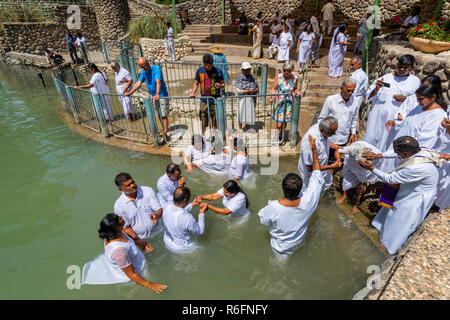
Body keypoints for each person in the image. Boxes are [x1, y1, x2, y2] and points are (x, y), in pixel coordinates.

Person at [358, 136, 440, 255]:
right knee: (390, 207)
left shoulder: (416, 167)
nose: (397, 155)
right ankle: (379, 226)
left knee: (401, 219)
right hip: (411, 186)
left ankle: (390, 245)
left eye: (399, 153)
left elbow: (390, 179)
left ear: (406, 153)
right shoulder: (420, 150)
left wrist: (371, 168)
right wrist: (379, 155)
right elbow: (395, 153)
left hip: (418, 195)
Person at [259, 135, 324, 257]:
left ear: (283, 187)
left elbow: (263, 220)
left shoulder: (273, 208)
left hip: (281, 250)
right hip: (299, 243)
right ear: (300, 189)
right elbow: (316, 174)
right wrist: (314, 151)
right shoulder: (308, 201)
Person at [81, 214, 167, 293]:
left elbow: (128, 241)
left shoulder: (115, 233)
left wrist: (140, 242)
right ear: (116, 228)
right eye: (119, 219)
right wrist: (151, 285)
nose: (121, 216)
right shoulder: (119, 252)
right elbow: (132, 274)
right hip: (136, 277)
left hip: (133, 265)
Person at [375, 82, 447, 173]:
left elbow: (424, 144)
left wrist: (401, 155)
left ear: (433, 97)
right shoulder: (419, 108)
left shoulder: (437, 116)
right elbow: (406, 127)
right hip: (399, 153)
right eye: (417, 98)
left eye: (421, 99)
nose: (418, 101)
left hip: (412, 160)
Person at [364, 54, 420, 150]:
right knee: (372, 140)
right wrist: (376, 89)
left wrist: (406, 99)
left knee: (390, 144)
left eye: (405, 68)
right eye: (400, 67)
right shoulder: (385, 78)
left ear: (411, 67)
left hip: (396, 121)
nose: (402, 70)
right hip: (378, 118)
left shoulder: (415, 81)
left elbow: (418, 101)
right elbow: (368, 96)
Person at [125, 58, 170, 141]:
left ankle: (165, 132)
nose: (143, 68)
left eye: (144, 66)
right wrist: (130, 92)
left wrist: (157, 93)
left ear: (147, 63)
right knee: (159, 114)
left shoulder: (156, 69)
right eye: (141, 67)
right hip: (154, 96)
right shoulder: (143, 72)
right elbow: (138, 83)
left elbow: (158, 82)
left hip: (161, 95)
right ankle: (164, 129)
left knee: (164, 115)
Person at [317, 78, 357, 165]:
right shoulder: (330, 100)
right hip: (329, 139)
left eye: (352, 91)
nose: (350, 93)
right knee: (324, 160)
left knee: (335, 160)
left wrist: (353, 133)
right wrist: (324, 138)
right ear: (341, 88)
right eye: (348, 90)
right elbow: (321, 119)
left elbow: (354, 118)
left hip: (343, 138)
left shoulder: (355, 101)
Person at [297, 116, 342, 193]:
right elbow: (310, 168)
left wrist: (335, 147)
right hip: (311, 175)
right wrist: (332, 166)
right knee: (311, 195)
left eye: (335, 131)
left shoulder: (322, 128)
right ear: (322, 130)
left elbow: (324, 140)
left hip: (323, 167)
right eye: (332, 132)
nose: (334, 134)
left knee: (326, 184)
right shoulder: (309, 143)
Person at [113, 173, 163, 240]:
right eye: (128, 185)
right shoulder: (119, 206)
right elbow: (126, 228)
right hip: (142, 238)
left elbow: (158, 209)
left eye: (133, 182)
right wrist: (140, 242)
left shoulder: (148, 191)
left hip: (159, 230)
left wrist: (156, 215)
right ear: (121, 189)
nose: (133, 185)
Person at [336, 141, 382, 213]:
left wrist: (366, 166)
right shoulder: (352, 149)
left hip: (366, 168)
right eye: (360, 163)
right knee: (346, 178)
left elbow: (365, 181)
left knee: (362, 183)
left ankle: (356, 204)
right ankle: (344, 195)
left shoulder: (376, 156)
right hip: (351, 162)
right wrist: (338, 160)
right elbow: (337, 151)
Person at [162, 187, 208, 252]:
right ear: (185, 200)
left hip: (167, 241)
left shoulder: (166, 205)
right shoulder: (187, 218)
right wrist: (201, 213)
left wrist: (192, 204)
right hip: (182, 248)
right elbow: (200, 232)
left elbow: (177, 212)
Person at [190, 53, 225, 136]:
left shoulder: (218, 71)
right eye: (206, 65)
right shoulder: (200, 71)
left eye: (210, 65)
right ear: (203, 63)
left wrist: (220, 86)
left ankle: (214, 136)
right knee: (203, 119)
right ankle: (203, 136)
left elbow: (223, 84)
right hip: (204, 101)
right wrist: (193, 92)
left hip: (215, 100)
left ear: (212, 63)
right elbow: (196, 83)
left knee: (215, 120)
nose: (208, 67)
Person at [269, 61, 302, 142]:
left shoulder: (295, 78)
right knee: (279, 122)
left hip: (289, 102)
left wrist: (297, 92)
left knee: (285, 120)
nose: (286, 72)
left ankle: (281, 134)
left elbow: (295, 88)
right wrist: (272, 97)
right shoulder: (279, 77)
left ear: (292, 70)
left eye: (289, 70)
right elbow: (274, 88)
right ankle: (277, 134)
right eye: (285, 70)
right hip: (280, 101)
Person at [235, 61, 259, 131]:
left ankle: (247, 126)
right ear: (242, 70)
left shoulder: (253, 78)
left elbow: (257, 87)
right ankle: (240, 128)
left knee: (249, 113)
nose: (247, 71)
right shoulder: (239, 78)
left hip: (251, 99)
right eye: (245, 69)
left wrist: (256, 90)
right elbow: (238, 90)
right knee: (241, 113)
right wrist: (247, 91)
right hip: (242, 99)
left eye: (248, 69)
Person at [348, 57, 368, 133]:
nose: (350, 67)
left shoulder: (358, 76)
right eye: (350, 65)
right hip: (356, 97)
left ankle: (352, 133)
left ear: (359, 65)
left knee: (352, 115)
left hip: (355, 97)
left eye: (352, 65)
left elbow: (354, 90)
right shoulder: (358, 74)